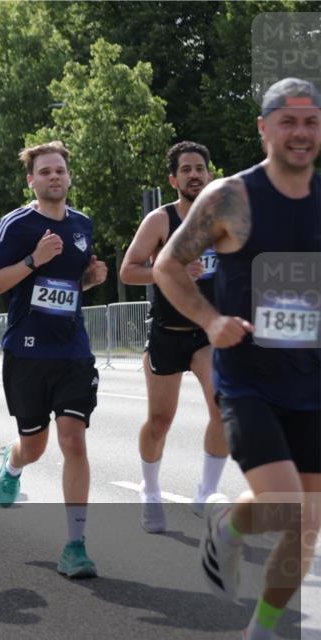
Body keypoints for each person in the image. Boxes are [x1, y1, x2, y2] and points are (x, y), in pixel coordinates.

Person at [153, 78, 320, 640]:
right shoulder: (230, 198)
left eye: (311, 122)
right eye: (288, 121)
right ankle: (230, 519)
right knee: (284, 504)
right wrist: (210, 318)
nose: (301, 133)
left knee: (308, 522)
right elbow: (169, 267)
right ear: (264, 127)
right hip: (249, 376)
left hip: (312, 380)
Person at [0, 141, 107, 579]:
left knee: (73, 439)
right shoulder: (15, 225)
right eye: (45, 171)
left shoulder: (83, 224)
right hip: (27, 352)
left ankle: (75, 544)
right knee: (34, 446)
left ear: (69, 177)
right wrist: (35, 259)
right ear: (31, 180)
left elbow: (69, 287)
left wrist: (90, 280)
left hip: (72, 349)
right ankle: (13, 464)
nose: (54, 176)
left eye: (60, 170)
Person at [120, 141, 229, 532]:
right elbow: (128, 271)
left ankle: (206, 493)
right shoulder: (160, 221)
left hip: (207, 334)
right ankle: (151, 492)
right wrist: (170, 272)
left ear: (210, 174)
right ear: (173, 179)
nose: (194, 174)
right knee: (159, 421)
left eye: (200, 167)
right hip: (168, 331)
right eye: (186, 169)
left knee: (225, 407)